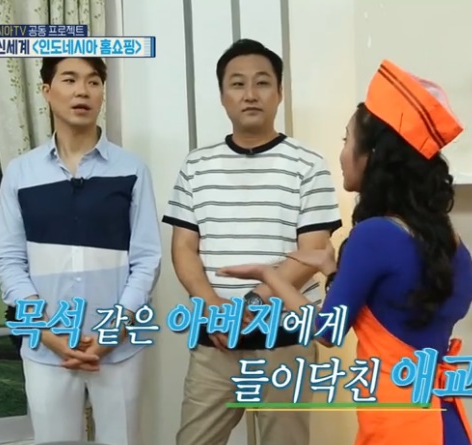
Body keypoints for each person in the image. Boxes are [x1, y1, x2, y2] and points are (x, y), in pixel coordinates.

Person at [217, 59, 472, 445]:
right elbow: (396, 305)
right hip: (447, 420)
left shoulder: (373, 236)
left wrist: (270, 276)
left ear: (371, 155)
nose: (341, 154)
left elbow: (326, 331)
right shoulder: (450, 241)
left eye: (346, 141)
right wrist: (333, 270)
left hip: (399, 427)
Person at [162, 39, 343, 445]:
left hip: (286, 339)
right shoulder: (196, 165)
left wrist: (250, 307)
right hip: (216, 341)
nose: (250, 94)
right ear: (222, 96)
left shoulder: (308, 165)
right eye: (237, 84)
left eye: (262, 83)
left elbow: (312, 252)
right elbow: (183, 248)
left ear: (279, 93)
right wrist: (214, 307)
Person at [0, 57, 162, 445]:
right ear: (47, 91)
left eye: (93, 82)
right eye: (69, 80)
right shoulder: (21, 172)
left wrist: (113, 330)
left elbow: (147, 259)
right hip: (46, 345)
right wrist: (46, 331)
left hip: (119, 346)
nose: (82, 91)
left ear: (102, 93)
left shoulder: (132, 169)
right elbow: (7, 260)